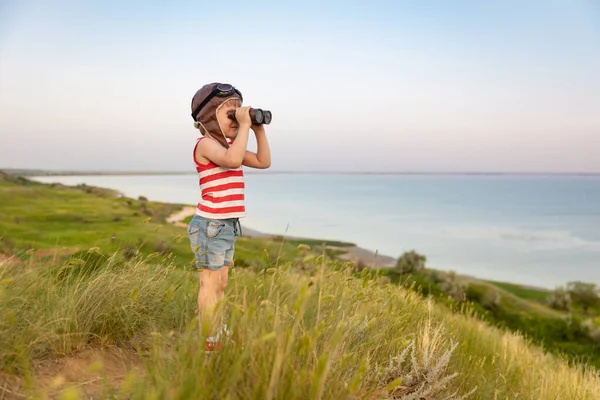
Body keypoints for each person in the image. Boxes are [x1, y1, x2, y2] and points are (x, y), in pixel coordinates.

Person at [187, 82, 271, 351]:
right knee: (209, 284)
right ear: (208, 118)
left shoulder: (232, 146)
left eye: (239, 110)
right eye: (230, 113)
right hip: (210, 225)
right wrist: (245, 126)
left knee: (221, 283)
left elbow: (263, 161)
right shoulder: (205, 145)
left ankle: (217, 330)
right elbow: (233, 160)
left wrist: (257, 129)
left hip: (227, 225)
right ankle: (208, 338)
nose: (237, 117)